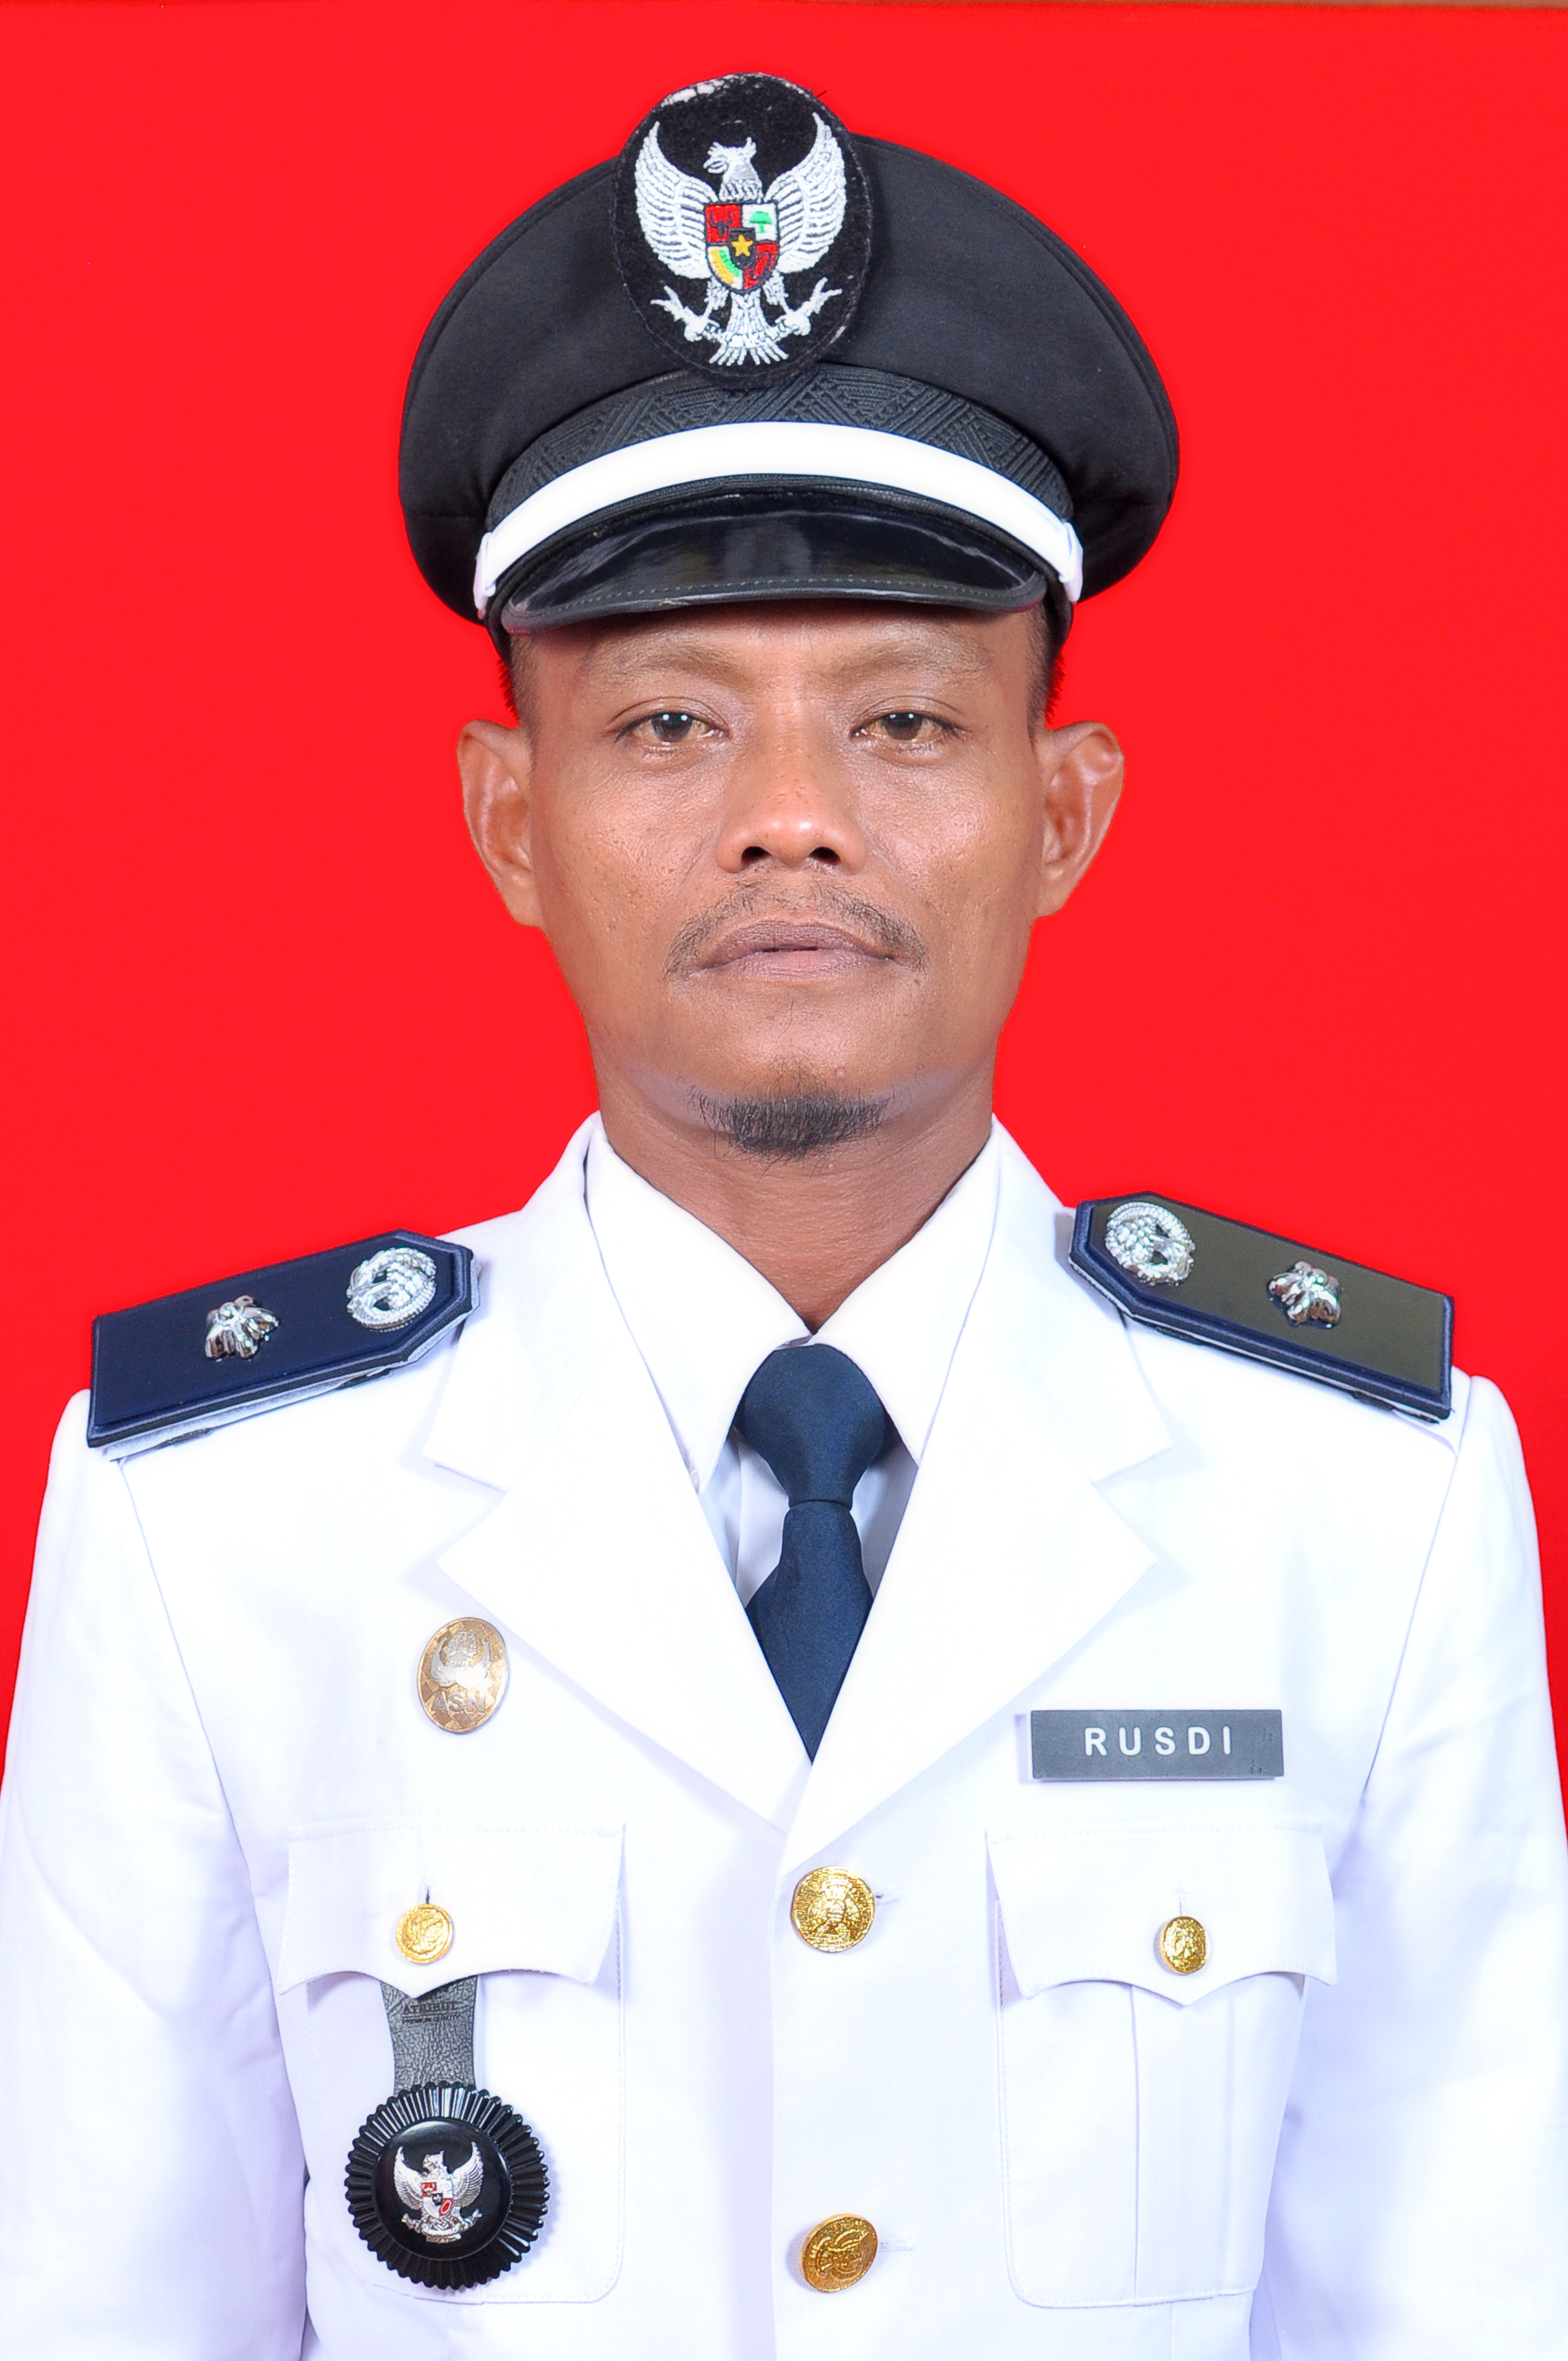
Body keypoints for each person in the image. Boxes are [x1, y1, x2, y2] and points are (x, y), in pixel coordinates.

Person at [1, 67, 1564, 2361]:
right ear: (508, 817)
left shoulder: (1366, 1505)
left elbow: (1461, 2309)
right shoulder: (217, 1523)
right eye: (668, 727)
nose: (791, 818)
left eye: (907, 722)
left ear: (1064, 810)